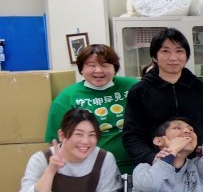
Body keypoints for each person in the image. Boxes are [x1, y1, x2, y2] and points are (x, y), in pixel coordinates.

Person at [123, 28, 203, 166]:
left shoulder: (199, 88)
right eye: (165, 51)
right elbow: (131, 135)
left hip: (196, 165)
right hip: (154, 165)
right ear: (154, 57)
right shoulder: (139, 91)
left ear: (187, 56)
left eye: (179, 51)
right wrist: (152, 157)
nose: (173, 57)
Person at [45, 43, 137, 174]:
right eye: (91, 65)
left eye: (105, 65)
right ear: (81, 69)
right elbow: (54, 141)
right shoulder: (66, 97)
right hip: (90, 169)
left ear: (114, 68)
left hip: (137, 165)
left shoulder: (133, 86)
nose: (98, 70)